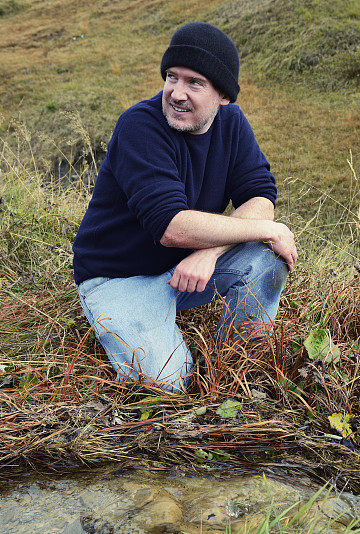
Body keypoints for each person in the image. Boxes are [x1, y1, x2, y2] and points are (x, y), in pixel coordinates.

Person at [72, 22, 297, 393]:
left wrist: (210, 251)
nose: (176, 93)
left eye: (195, 83)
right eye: (171, 77)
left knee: (266, 260)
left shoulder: (232, 125)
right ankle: (136, 331)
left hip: (187, 269)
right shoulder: (138, 127)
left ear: (223, 96)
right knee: (166, 386)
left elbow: (259, 197)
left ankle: (238, 366)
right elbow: (171, 227)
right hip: (118, 278)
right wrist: (270, 229)